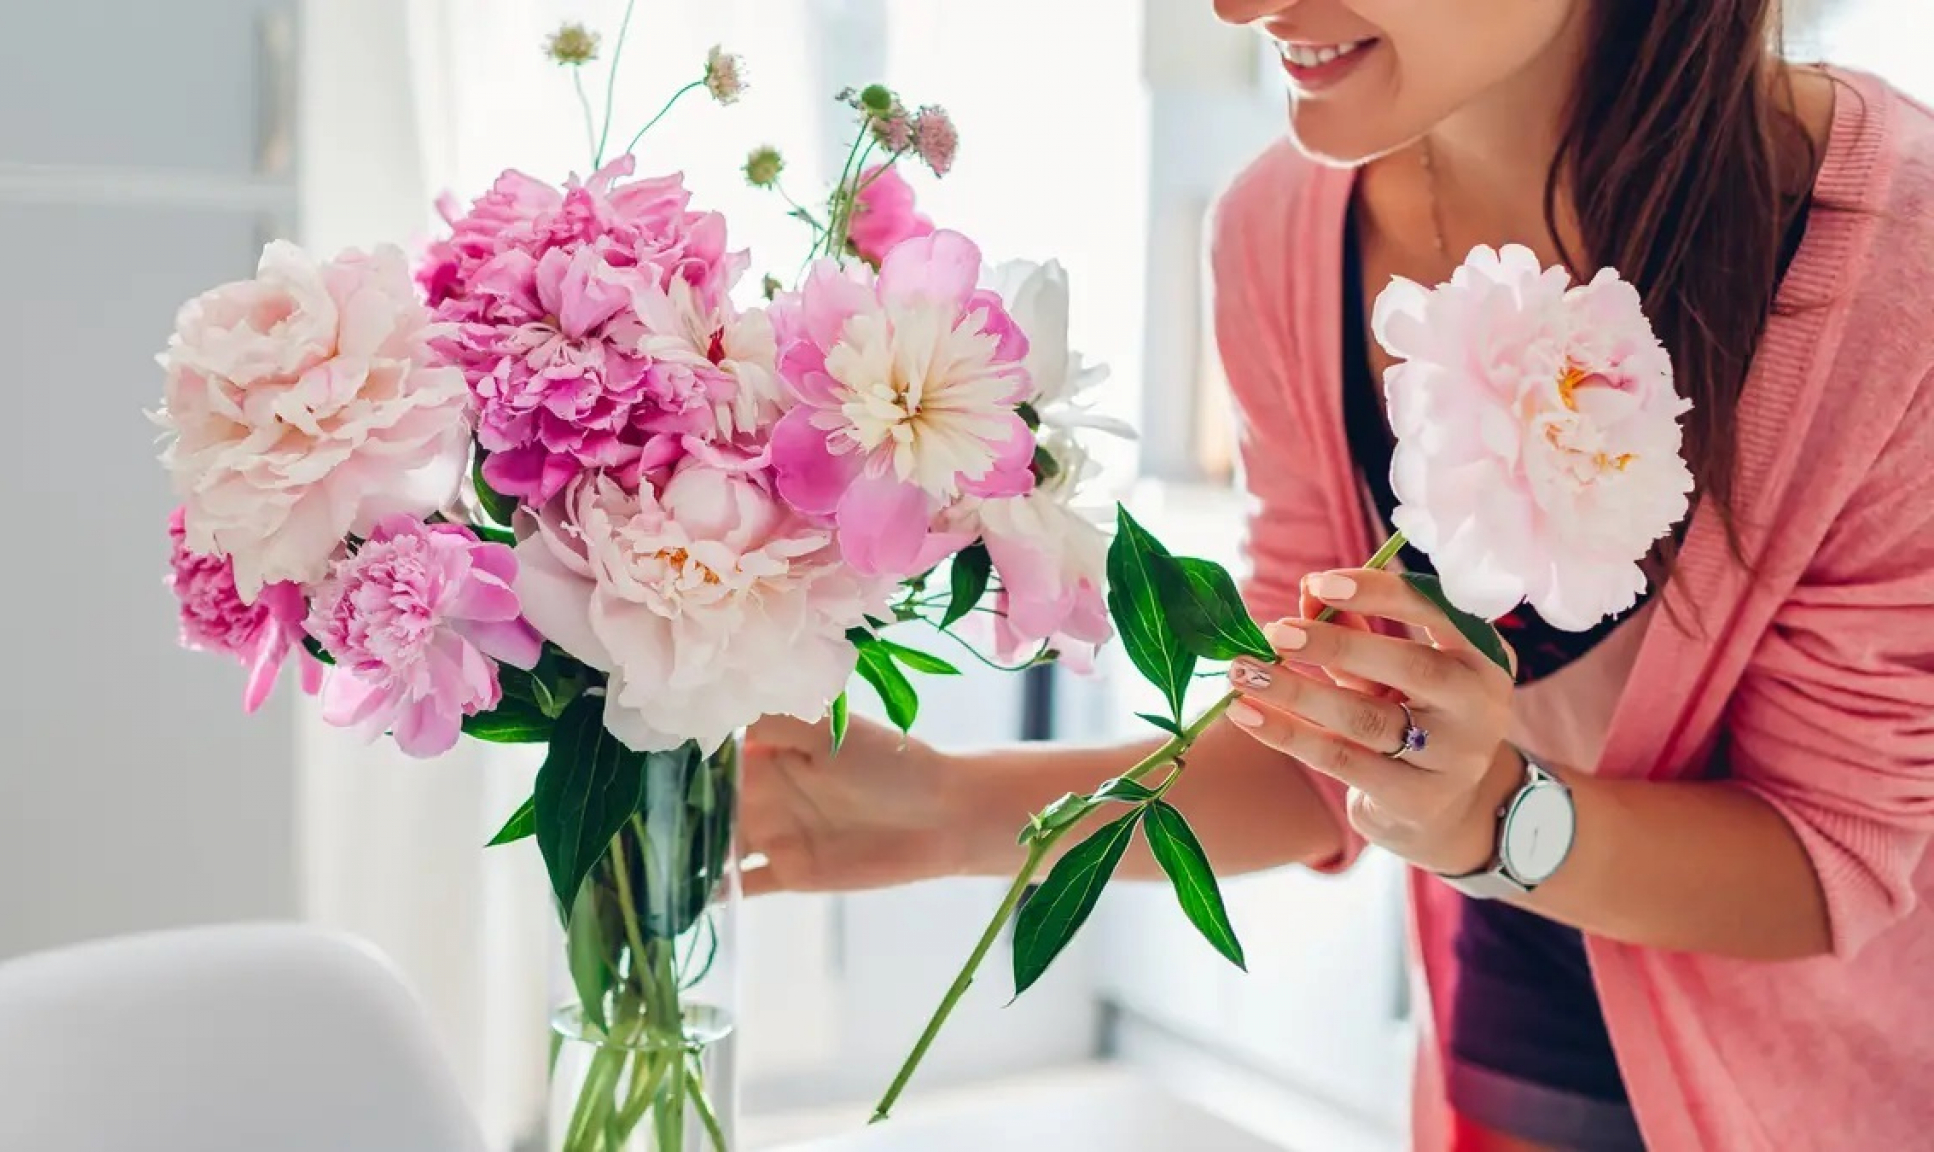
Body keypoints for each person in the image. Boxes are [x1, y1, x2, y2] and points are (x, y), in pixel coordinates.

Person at [742, 2, 1934, 1149]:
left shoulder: (1896, 269)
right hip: (1514, 1007)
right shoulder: (1280, 231)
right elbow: (1308, 753)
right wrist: (949, 809)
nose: (1238, 6)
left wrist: (1491, 815)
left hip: (1830, 1078)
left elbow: (1825, 854)